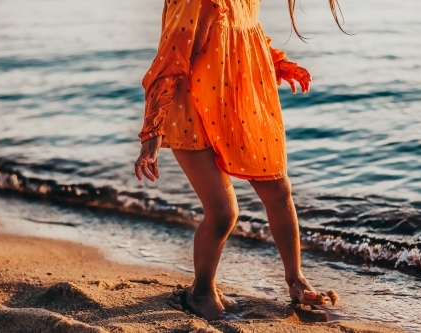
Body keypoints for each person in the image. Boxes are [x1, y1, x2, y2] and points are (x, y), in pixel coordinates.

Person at [135, 0, 342, 320]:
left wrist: (279, 63)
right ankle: (200, 291)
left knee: (278, 190)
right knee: (223, 211)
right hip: (190, 110)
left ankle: (296, 280)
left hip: (235, 104)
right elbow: (172, 55)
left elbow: (244, 36)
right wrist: (152, 127)